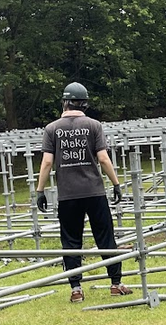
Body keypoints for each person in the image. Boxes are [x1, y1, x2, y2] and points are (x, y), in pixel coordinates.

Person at [35, 82, 131, 302]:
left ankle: (76, 289)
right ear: (85, 104)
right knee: (105, 237)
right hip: (94, 191)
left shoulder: (52, 129)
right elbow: (103, 158)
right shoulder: (94, 125)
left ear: (64, 102)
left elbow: (47, 162)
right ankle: (116, 283)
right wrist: (116, 184)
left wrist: (40, 190)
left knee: (71, 241)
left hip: (68, 194)